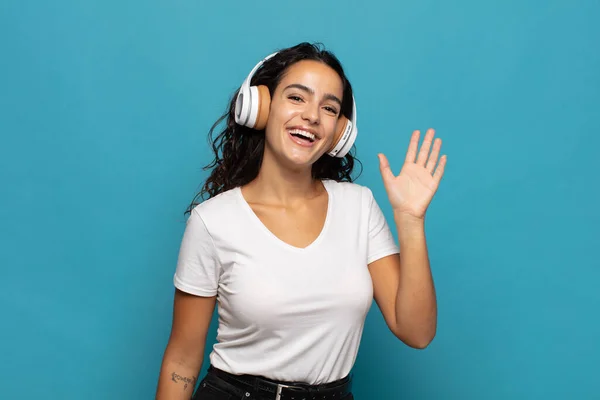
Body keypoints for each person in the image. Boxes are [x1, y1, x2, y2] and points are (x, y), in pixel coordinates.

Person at [155, 42, 447, 400]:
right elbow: (182, 360)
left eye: (329, 107)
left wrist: (410, 219)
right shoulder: (213, 221)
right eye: (297, 98)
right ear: (260, 108)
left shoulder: (359, 207)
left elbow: (416, 332)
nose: (312, 115)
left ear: (339, 132)